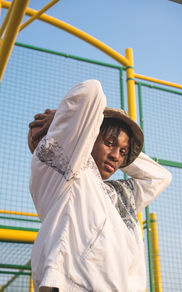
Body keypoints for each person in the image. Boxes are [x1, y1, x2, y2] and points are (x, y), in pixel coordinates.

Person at [29, 79, 172, 292]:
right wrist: (63, 117)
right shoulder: (70, 173)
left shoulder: (118, 196)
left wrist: (126, 150)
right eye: (109, 143)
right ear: (89, 136)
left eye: (123, 152)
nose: (116, 156)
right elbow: (91, 90)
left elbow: (160, 177)